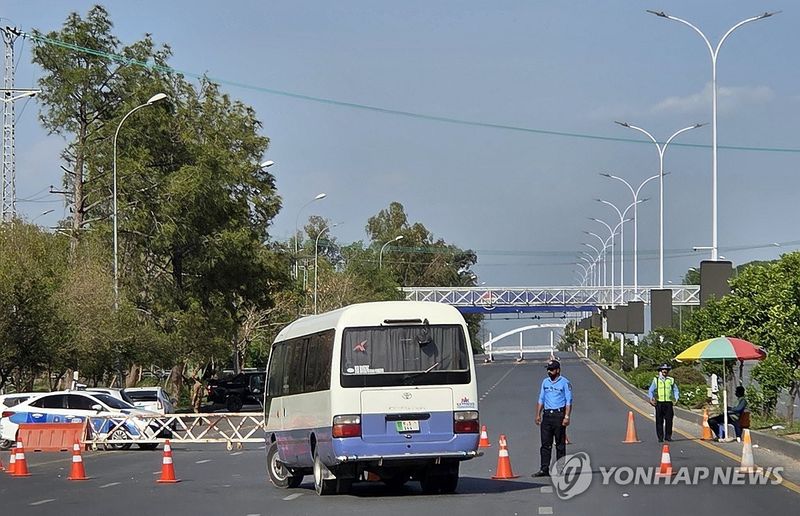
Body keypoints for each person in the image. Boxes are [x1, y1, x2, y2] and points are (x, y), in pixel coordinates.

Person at [532, 359, 573, 477]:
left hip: (559, 415)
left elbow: (568, 401)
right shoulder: (545, 382)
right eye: (548, 370)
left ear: (558, 370)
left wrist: (567, 416)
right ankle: (544, 468)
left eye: (551, 370)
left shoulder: (565, 383)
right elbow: (541, 399)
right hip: (547, 416)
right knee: (545, 444)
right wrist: (538, 414)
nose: (549, 372)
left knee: (560, 444)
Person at [648, 363, 679, 442]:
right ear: (660, 371)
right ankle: (660, 437)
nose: (665, 371)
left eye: (666, 370)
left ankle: (668, 437)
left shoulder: (671, 380)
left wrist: (676, 398)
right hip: (659, 403)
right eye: (663, 370)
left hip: (668, 403)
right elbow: (651, 390)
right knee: (659, 420)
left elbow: (675, 390)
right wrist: (651, 398)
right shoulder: (656, 380)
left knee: (669, 420)